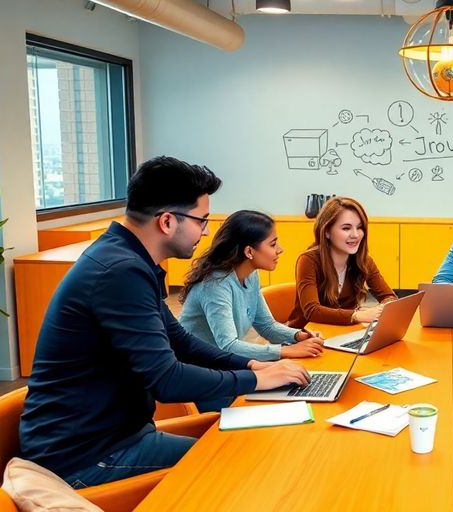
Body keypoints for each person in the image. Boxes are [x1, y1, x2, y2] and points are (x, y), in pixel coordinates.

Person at [19, 156, 310, 489]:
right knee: (246, 467)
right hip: (86, 457)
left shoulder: (126, 259)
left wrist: (255, 364)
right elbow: (167, 380)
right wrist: (253, 379)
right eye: (201, 220)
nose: (206, 231)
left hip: (118, 436)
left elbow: (180, 341)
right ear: (168, 222)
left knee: (254, 447)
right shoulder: (120, 271)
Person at [177, 210, 326, 410]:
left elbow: (266, 325)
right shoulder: (215, 284)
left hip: (226, 370)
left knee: (295, 385)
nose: (280, 249)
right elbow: (227, 346)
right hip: (204, 381)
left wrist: (298, 336)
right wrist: (285, 351)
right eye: (273, 244)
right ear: (249, 252)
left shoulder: (250, 275)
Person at [286, 196, 397, 327]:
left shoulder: (363, 260)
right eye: (346, 228)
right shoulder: (309, 260)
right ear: (327, 231)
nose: (355, 235)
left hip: (343, 334)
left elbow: (389, 297)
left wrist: (383, 308)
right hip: (305, 336)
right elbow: (312, 311)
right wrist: (356, 315)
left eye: (360, 227)